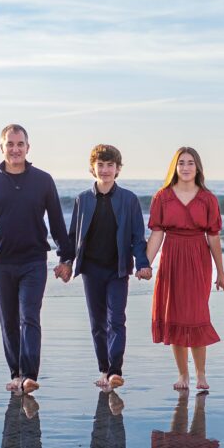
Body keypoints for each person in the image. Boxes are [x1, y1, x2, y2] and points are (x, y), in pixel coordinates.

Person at [0, 124, 73, 394]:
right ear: (2, 148)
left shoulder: (43, 180)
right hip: (2, 261)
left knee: (29, 315)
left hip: (34, 260)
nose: (15, 149)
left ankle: (29, 376)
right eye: (10, 144)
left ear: (27, 147)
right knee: (8, 320)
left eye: (20, 144)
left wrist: (66, 258)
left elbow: (57, 220)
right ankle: (16, 373)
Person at [57, 144, 151, 390]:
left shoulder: (129, 199)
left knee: (116, 319)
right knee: (98, 323)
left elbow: (137, 237)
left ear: (118, 169)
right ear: (92, 168)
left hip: (117, 269)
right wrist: (66, 261)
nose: (105, 170)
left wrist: (143, 264)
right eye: (101, 165)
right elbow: (73, 236)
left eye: (110, 165)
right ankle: (104, 369)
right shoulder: (83, 199)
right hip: (91, 269)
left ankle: (115, 371)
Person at [145, 147, 224, 391]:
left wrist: (221, 272)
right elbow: (157, 234)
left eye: (190, 162)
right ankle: (183, 375)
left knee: (196, 314)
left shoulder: (208, 198)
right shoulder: (162, 197)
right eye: (181, 162)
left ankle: (201, 373)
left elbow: (213, 237)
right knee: (175, 315)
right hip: (171, 257)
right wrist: (145, 264)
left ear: (198, 167)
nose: (185, 167)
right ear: (175, 167)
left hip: (198, 258)